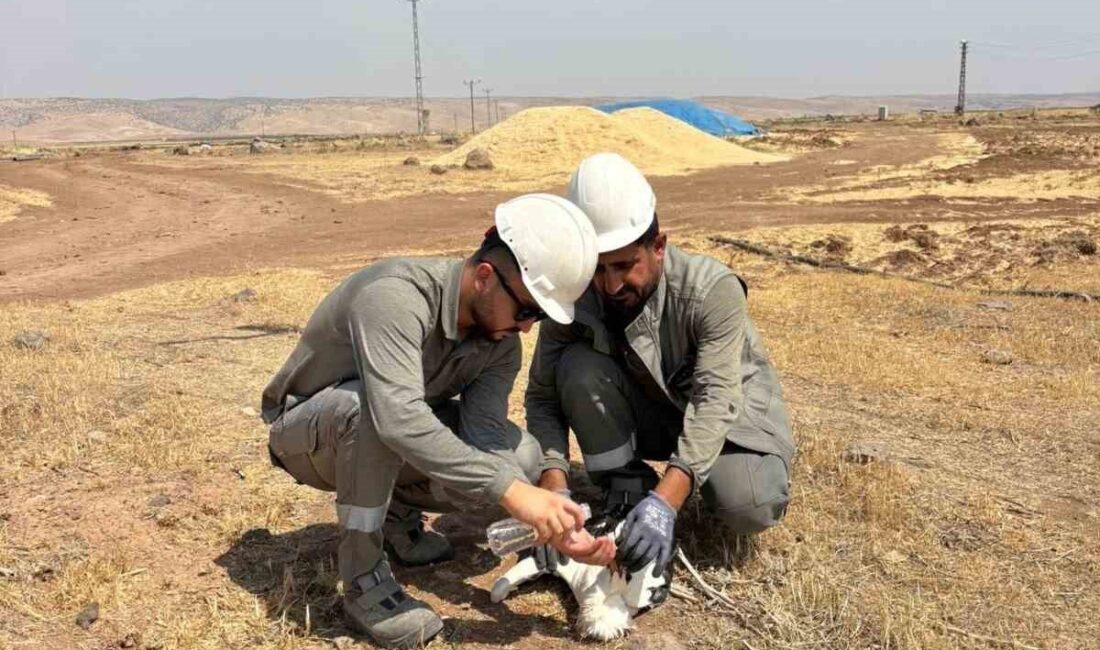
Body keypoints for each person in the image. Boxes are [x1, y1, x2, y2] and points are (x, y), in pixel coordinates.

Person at [262, 193, 612, 649]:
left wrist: (552, 525)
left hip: (382, 432)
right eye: (527, 310)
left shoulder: (501, 343)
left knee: (520, 455)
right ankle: (364, 579)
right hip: (307, 436)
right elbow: (398, 418)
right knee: (371, 411)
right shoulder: (395, 296)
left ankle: (396, 516)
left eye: (539, 317)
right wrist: (511, 494)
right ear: (485, 277)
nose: (528, 328)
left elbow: (483, 434)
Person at [525, 153, 795, 581]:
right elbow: (542, 396)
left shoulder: (712, 290)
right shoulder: (576, 296)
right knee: (576, 366)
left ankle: (680, 487)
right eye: (597, 268)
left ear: (658, 247)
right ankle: (625, 486)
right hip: (650, 410)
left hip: (730, 420)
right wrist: (552, 489)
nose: (610, 285)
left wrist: (667, 501)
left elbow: (715, 399)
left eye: (624, 266)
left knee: (747, 504)